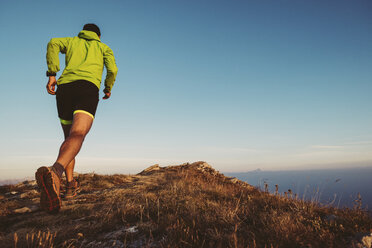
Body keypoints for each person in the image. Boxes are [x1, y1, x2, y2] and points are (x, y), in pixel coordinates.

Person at [35, 23, 118, 213]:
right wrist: (107, 87)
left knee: (68, 138)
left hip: (65, 89)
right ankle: (55, 172)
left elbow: (53, 43)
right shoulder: (103, 47)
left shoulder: (72, 42)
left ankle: (70, 186)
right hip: (87, 88)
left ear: (83, 31)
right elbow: (113, 70)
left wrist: (52, 74)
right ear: (98, 35)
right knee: (78, 133)